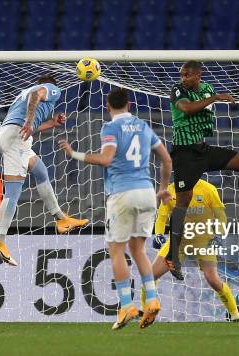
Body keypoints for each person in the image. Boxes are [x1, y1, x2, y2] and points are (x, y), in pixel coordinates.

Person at [59, 87, 172, 330]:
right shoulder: (143, 126)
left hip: (123, 193)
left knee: (116, 250)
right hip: (147, 193)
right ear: (129, 105)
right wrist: (163, 188)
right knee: (138, 248)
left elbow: (106, 159)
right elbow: (167, 160)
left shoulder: (110, 128)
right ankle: (151, 299)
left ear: (108, 107)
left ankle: (126, 305)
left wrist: (74, 153)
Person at [166, 60, 239, 280]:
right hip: (184, 153)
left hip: (203, 150)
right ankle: (171, 256)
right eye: (182, 74)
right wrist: (214, 98)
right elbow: (185, 108)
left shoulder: (207, 88)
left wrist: (212, 98)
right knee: (182, 202)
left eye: (187, 75)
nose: (183, 78)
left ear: (198, 75)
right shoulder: (177, 90)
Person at [0, 74, 88, 266]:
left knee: (40, 170)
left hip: (12, 135)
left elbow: (31, 124)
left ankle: (61, 219)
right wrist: (29, 120)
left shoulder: (22, 94)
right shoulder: (50, 89)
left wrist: (51, 123)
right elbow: (36, 96)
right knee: (13, 192)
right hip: (16, 137)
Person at [144, 179, 239, 321]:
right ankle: (147, 313)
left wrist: (219, 235)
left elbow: (220, 215)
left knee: (212, 279)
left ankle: (235, 315)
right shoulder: (171, 190)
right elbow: (162, 216)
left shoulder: (208, 189)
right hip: (177, 242)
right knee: (150, 276)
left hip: (203, 240)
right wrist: (159, 234)